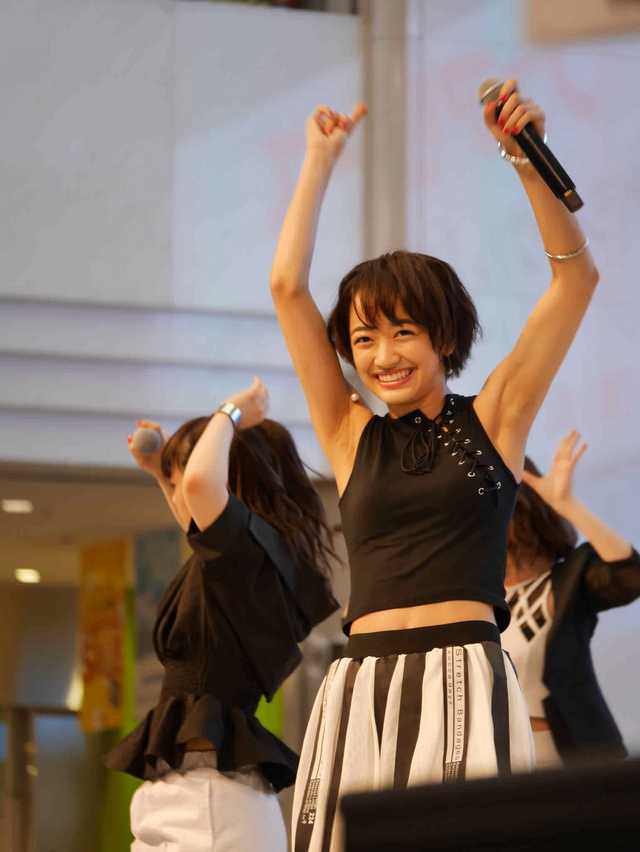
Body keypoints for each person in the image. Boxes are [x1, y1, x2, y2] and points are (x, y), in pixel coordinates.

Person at [269, 79, 600, 851]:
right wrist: (319, 161)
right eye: (363, 340)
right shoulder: (348, 431)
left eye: (402, 332)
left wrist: (526, 162)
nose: (382, 356)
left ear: (443, 337)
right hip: (359, 688)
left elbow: (575, 280)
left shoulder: (496, 417)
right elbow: (287, 288)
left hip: (467, 678)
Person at [105, 377, 339, 852]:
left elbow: (199, 485)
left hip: (209, 799)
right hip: (194, 793)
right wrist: (159, 469)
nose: (180, 491)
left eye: (181, 476)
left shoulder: (246, 557)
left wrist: (231, 411)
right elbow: (191, 502)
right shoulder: (240, 561)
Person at [502, 430, 640, 770]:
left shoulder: (565, 581)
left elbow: (629, 576)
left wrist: (567, 505)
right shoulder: (476, 599)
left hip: (570, 757)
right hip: (500, 762)